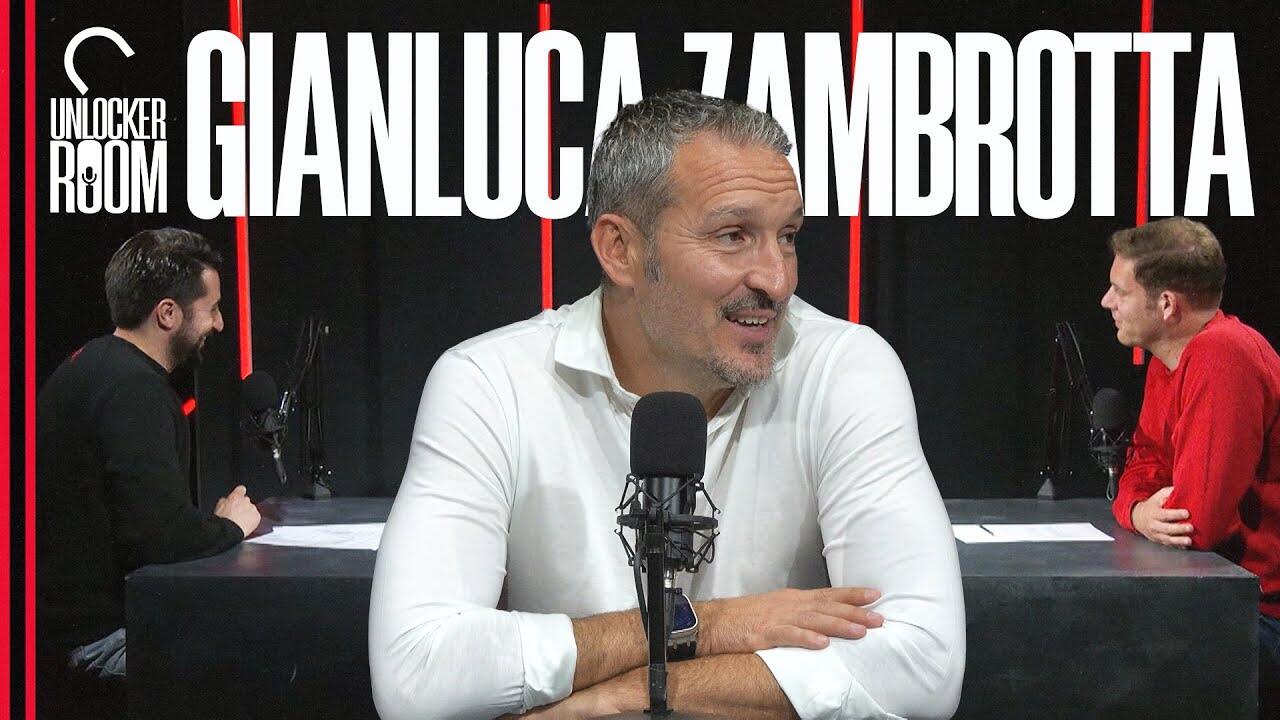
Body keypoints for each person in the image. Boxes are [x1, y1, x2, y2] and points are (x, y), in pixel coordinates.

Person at [369, 90, 965, 720]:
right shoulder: (489, 384)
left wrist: (624, 696)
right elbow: (417, 677)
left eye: (787, 236)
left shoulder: (845, 369)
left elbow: (922, 664)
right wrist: (714, 625)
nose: (777, 279)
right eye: (733, 236)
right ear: (620, 249)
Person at [36, 228, 262, 720]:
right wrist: (230, 526)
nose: (220, 324)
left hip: (64, 635)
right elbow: (159, 538)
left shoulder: (90, 365)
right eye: (212, 309)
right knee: (267, 666)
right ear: (168, 313)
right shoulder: (134, 390)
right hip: (101, 644)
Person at [1102, 217, 1280, 716]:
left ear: (1166, 304)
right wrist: (1137, 511)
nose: (1106, 301)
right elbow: (1142, 463)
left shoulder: (1223, 356)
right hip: (1220, 595)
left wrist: (1138, 507)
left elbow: (1193, 523)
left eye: (1120, 291)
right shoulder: (1170, 358)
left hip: (1261, 613)